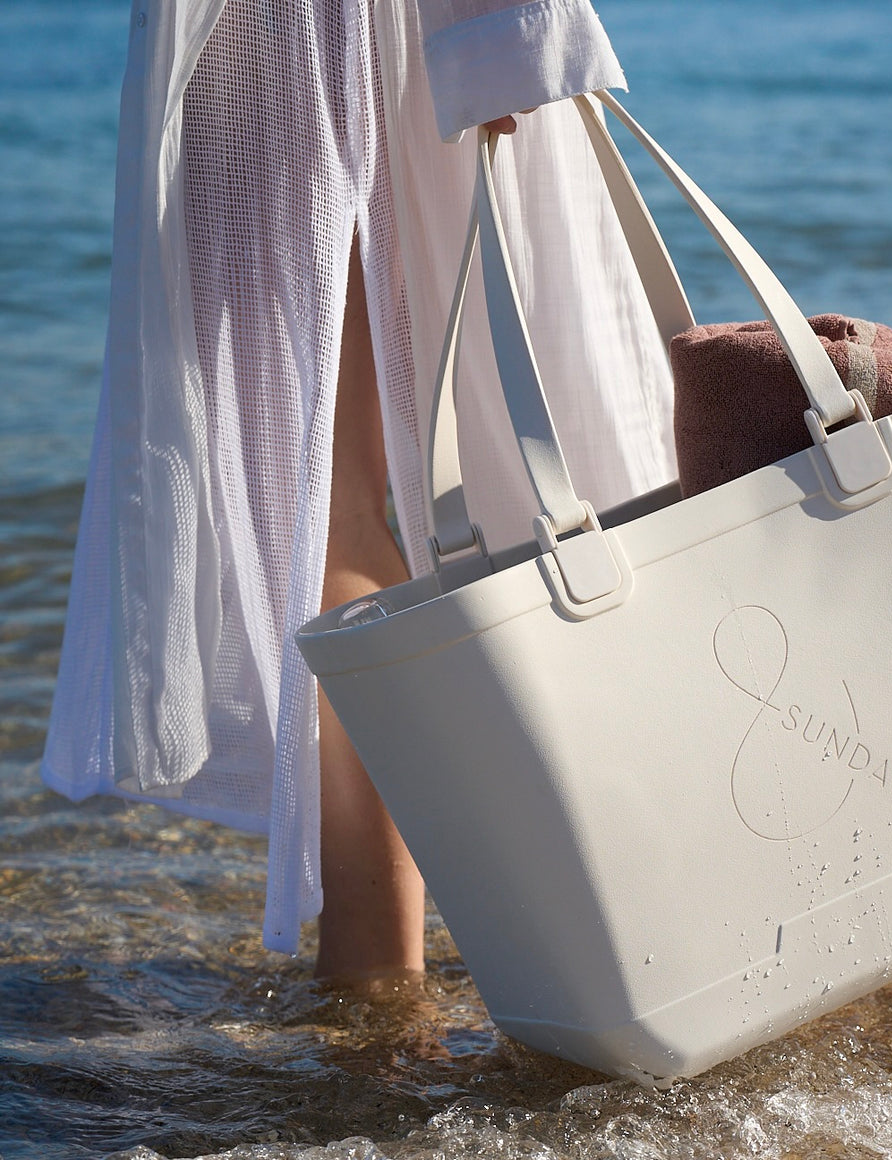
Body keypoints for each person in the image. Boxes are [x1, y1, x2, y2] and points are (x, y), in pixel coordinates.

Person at [41, 0, 676, 981]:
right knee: (439, 486)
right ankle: (584, 922)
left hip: (311, 39)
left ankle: (380, 975)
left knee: (341, 504)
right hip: (344, 36)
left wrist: (500, 35)